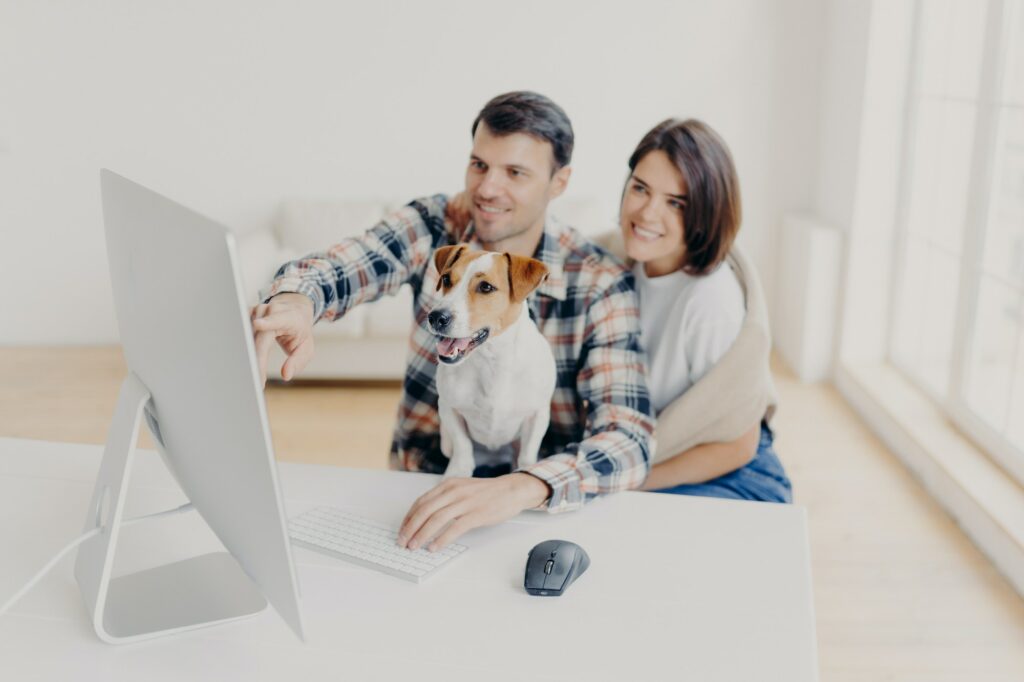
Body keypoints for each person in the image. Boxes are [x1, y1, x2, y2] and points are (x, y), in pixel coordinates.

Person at [251, 91, 655, 551]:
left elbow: (630, 441)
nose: (486, 189)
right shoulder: (435, 225)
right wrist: (297, 300)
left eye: (515, 173)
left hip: (539, 502)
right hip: (424, 479)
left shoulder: (600, 282)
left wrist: (525, 485)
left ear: (559, 182)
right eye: (479, 164)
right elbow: (344, 265)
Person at [610, 118, 792, 502]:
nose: (647, 213)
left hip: (731, 474)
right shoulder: (618, 258)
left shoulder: (709, 301)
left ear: (705, 213)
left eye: (676, 203)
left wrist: (625, 483)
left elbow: (739, 444)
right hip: (651, 460)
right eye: (640, 188)